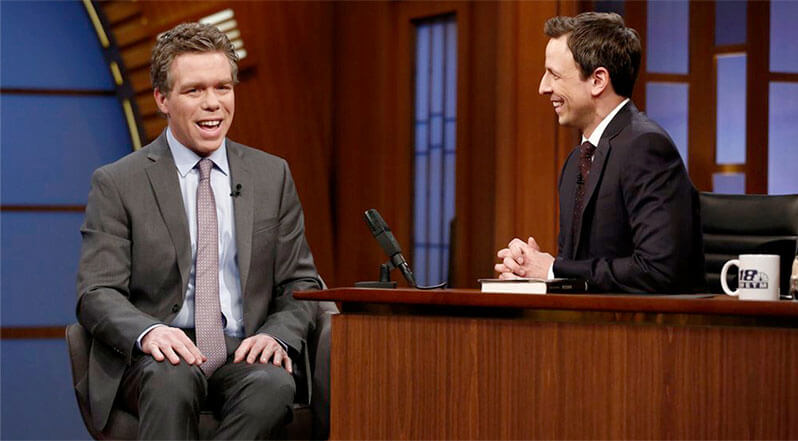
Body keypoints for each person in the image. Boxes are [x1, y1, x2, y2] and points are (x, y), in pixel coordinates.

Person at [76, 22, 323, 439]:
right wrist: (150, 333)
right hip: (158, 355)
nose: (213, 104)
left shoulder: (271, 175)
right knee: (170, 380)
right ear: (163, 99)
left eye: (222, 88)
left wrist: (278, 336)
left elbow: (301, 282)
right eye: (194, 91)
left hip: (243, 348)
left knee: (273, 385)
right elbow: (96, 292)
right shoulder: (118, 182)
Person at [495, 12, 704, 293]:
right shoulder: (576, 162)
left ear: (598, 80)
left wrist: (553, 270)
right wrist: (534, 275)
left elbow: (657, 271)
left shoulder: (647, 147)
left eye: (554, 75)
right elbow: (582, 277)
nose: (543, 87)